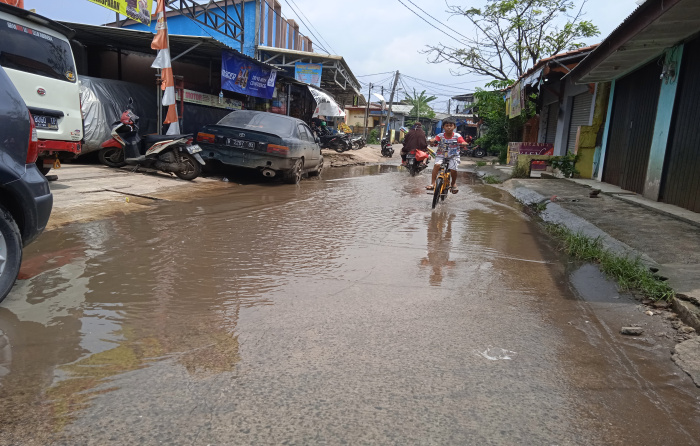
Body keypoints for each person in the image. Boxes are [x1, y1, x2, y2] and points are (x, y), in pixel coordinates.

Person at [427, 117, 467, 194]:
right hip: (441, 154)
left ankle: (453, 183)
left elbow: (462, 141)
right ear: (443, 127)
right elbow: (435, 140)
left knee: (453, 169)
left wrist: (463, 143)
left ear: (454, 127)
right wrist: (432, 141)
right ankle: (432, 183)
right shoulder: (440, 135)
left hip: (453, 156)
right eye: (447, 125)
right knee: (437, 165)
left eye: (450, 125)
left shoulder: (457, 135)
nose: (449, 127)